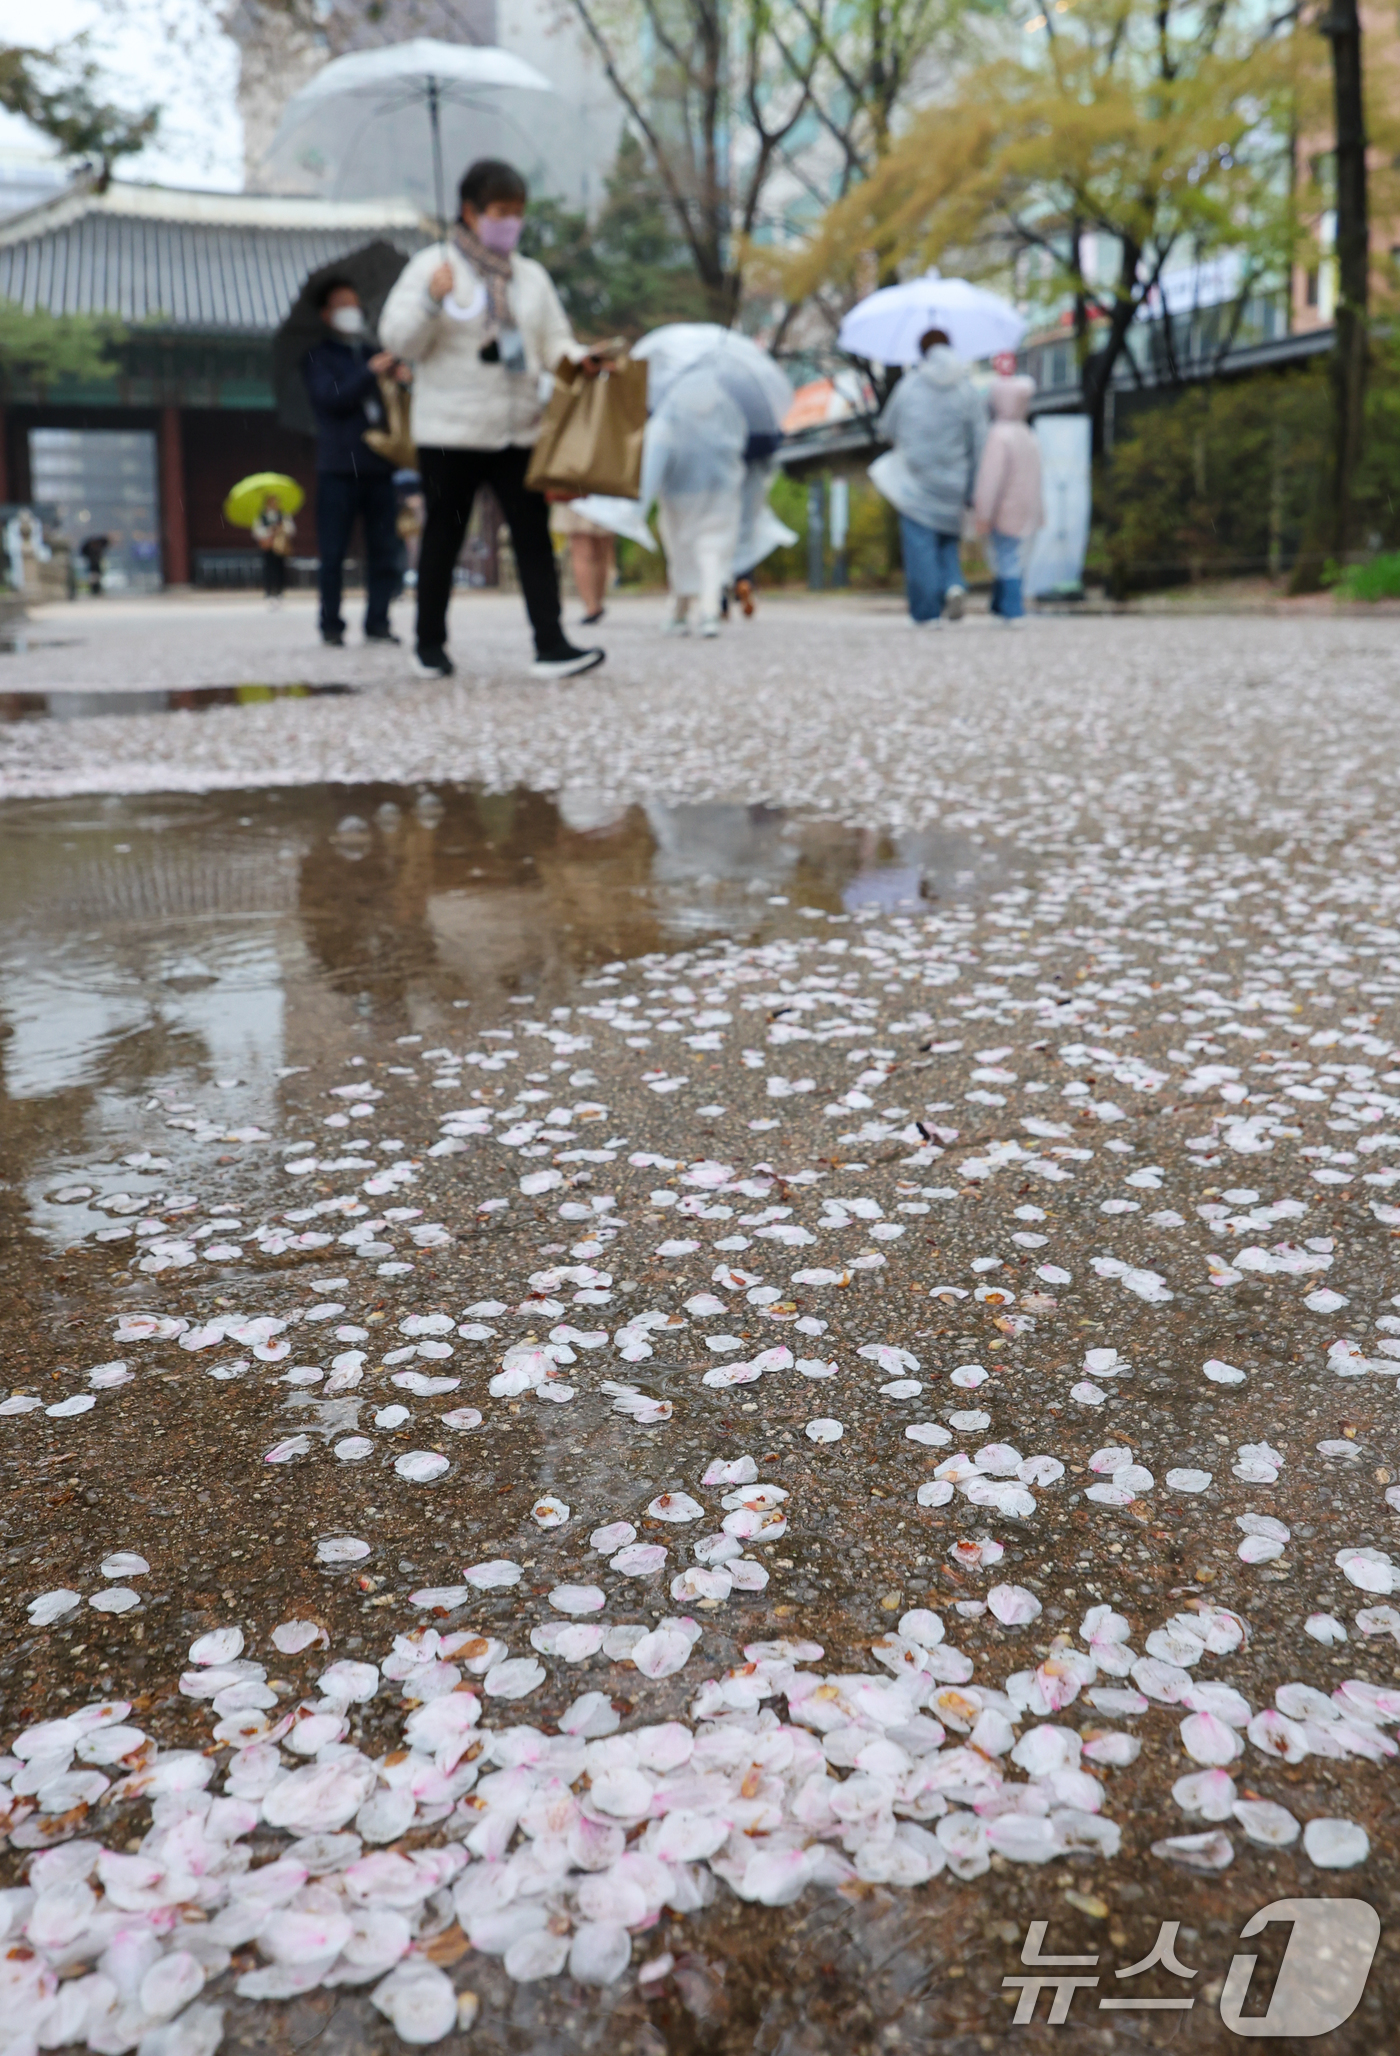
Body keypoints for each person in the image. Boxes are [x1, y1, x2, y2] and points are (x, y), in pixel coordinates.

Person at [379, 157, 605, 681]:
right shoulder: (431, 268)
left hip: (517, 427)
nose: (511, 222)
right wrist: (430, 302)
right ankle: (429, 644)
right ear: (470, 211)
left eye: (517, 212)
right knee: (443, 538)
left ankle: (551, 644)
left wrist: (581, 358)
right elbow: (399, 342)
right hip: (450, 431)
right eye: (501, 211)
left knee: (532, 538)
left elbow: (552, 344)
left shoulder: (531, 277)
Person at [302, 278, 404, 649]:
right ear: (326, 314)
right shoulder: (317, 357)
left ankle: (378, 620)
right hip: (338, 467)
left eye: (355, 303)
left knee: (384, 549)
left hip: (380, 465)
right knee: (333, 552)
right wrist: (368, 373)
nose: (352, 311)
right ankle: (331, 623)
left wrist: (397, 377)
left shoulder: (373, 351)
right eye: (343, 304)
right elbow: (331, 399)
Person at [873, 328, 985, 624]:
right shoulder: (967, 389)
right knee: (948, 543)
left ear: (922, 351)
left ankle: (927, 612)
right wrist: (972, 487)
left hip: (916, 483)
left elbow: (888, 427)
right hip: (954, 481)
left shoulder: (909, 386)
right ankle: (953, 585)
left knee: (920, 545)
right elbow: (979, 441)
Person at [973, 373, 1042, 625]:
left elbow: (990, 479)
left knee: (1005, 558)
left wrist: (983, 514)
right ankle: (1000, 605)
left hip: (1002, 509)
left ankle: (1012, 608)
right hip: (1027, 508)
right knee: (1013, 556)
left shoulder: (998, 435)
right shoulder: (1028, 434)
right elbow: (1038, 477)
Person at [550, 501, 615, 624]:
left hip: (575, 492)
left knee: (582, 550)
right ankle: (597, 602)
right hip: (603, 491)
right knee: (600, 550)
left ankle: (592, 606)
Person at [250, 492, 295, 604]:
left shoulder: (283, 515)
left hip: (279, 545)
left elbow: (291, 529)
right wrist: (268, 531)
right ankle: (269, 590)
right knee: (268, 568)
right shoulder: (261, 516)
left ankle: (279, 590)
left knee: (280, 568)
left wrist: (281, 529)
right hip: (267, 545)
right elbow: (256, 531)